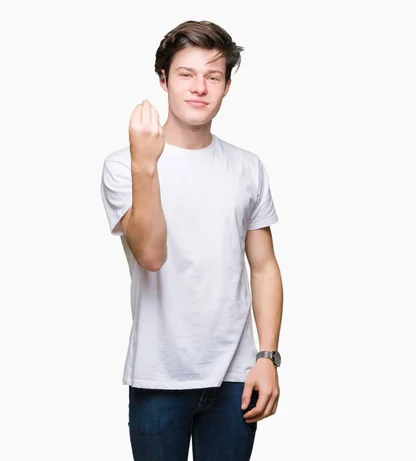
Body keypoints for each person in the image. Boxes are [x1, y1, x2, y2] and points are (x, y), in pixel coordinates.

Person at [100, 19, 284, 461]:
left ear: (226, 86)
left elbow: (263, 266)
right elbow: (151, 254)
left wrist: (268, 357)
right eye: (186, 74)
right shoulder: (123, 165)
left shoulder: (247, 167)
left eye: (213, 76)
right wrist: (147, 165)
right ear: (164, 80)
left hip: (236, 377)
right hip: (159, 377)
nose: (199, 87)